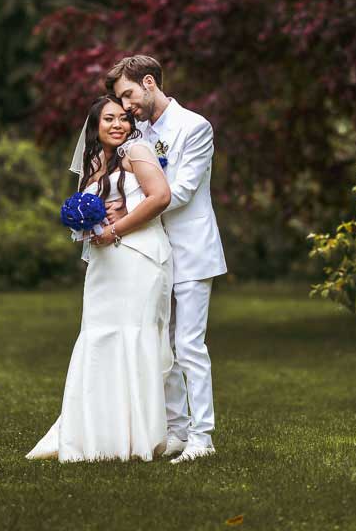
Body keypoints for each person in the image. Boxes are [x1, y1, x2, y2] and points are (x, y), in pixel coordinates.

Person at [26, 95, 174, 462]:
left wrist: (117, 227)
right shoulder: (94, 166)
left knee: (133, 337)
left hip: (137, 258)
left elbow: (160, 197)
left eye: (124, 118)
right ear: (95, 126)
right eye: (109, 119)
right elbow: (91, 223)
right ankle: (94, 434)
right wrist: (89, 226)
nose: (118, 125)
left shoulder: (137, 152)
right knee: (99, 338)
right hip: (104, 265)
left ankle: (137, 437)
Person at [105, 55, 226, 463]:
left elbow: (182, 191)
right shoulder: (136, 131)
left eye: (128, 95)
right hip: (153, 251)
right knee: (162, 345)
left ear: (149, 82)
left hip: (191, 250)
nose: (125, 106)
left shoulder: (195, 127)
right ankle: (176, 430)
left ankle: (202, 437)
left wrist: (128, 212)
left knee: (189, 345)